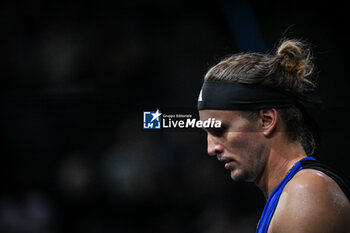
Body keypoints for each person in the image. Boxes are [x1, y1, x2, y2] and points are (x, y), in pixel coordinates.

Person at [197, 39, 350, 233]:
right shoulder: (289, 195)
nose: (211, 148)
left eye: (220, 130)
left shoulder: (306, 191)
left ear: (267, 120)